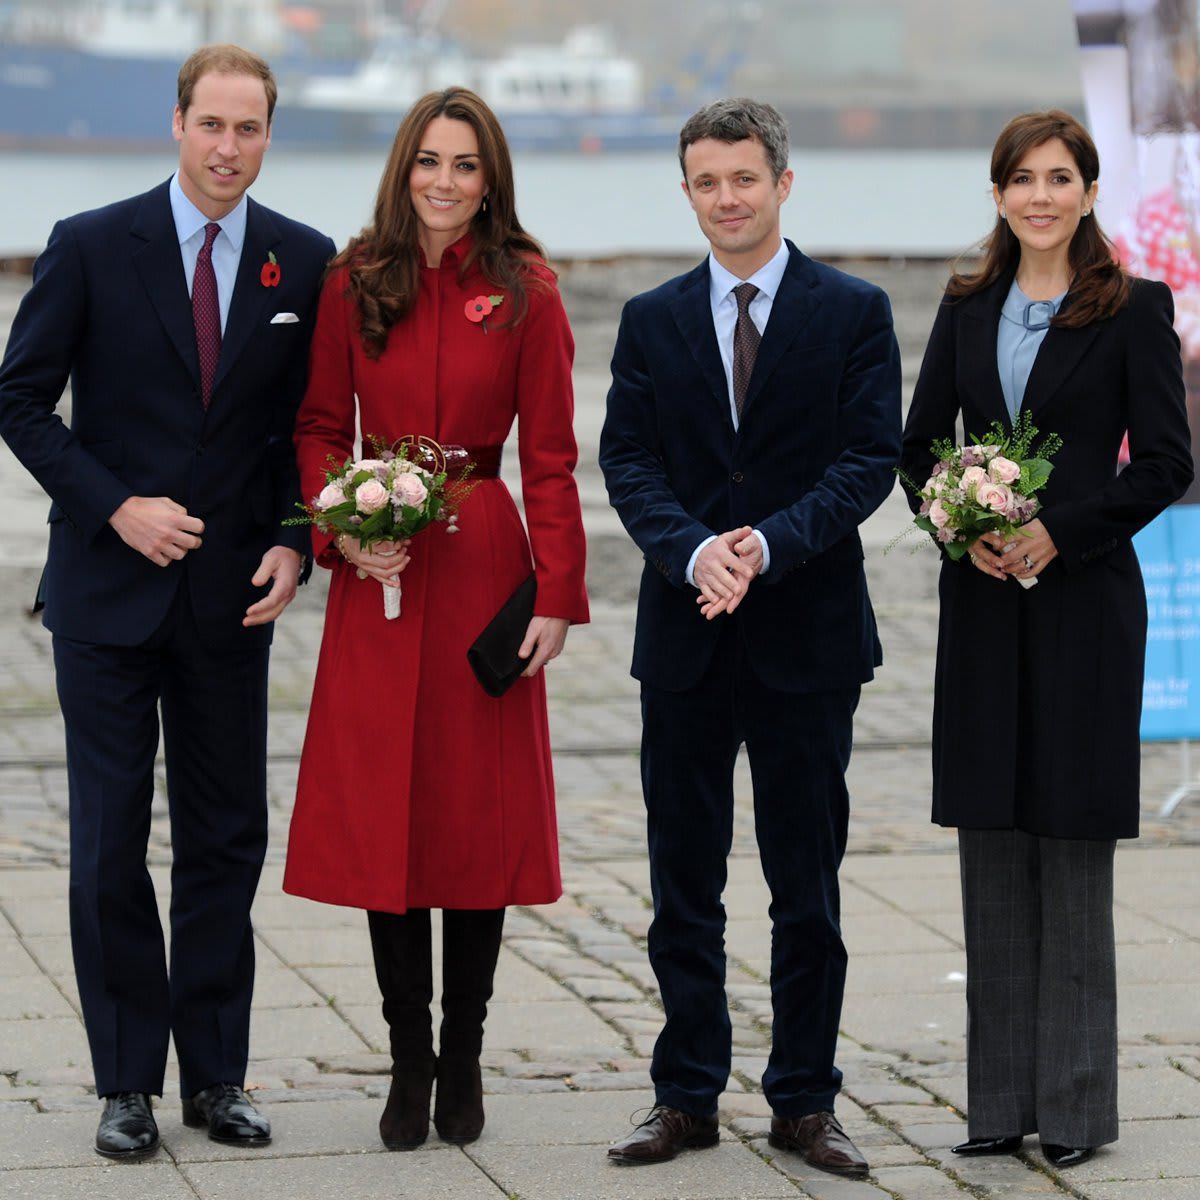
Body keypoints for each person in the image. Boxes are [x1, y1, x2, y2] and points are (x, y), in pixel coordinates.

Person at [0, 46, 334, 1159]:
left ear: (269, 135)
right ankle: (126, 1084)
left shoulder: (305, 258)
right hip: (105, 596)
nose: (228, 147)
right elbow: (21, 400)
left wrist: (296, 544)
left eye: (249, 129)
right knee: (107, 846)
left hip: (232, 600)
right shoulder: (94, 244)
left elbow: (309, 430)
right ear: (178, 122)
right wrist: (115, 507)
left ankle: (218, 1078)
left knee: (224, 838)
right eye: (212, 125)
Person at [598, 98, 900, 1178]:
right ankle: (684, 1096)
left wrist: (765, 546)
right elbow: (627, 460)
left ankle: (805, 1102)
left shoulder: (852, 311)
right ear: (687, 191)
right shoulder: (651, 318)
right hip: (683, 639)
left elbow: (869, 462)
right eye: (706, 183)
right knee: (683, 881)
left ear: (782, 181)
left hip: (807, 638)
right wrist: (693, 552)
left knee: (805, 887)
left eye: (744, 179)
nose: (727, 199)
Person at [282, 87, 588, 1152]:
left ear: (490, 178)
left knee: (473, 818)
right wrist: (339, 530)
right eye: (429, 160)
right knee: (388, 818)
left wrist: (557, 593)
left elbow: (552, 457)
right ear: (404, 168)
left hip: (486, 566)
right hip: (382, 565)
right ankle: (405, 1062)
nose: (446, 181)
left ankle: (465, 1059)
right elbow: (321, 426)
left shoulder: (529, 291)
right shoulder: (354, 279)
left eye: (466, 164)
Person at [900, 109, 1192, 1170]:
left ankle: (1072, 1109)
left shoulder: (1133, 309)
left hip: (1084, 609)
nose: (1040, 196)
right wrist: (962, 527)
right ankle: (996, 1104)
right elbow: (922, 443)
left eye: (1059, 177)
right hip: (983, 610)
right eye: (1021, 179)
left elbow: (1164, 462)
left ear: (1088, 190)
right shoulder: (969, 305)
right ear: (997, 195)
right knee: (992, 846)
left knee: (1069, 850)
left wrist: (1055, 534)